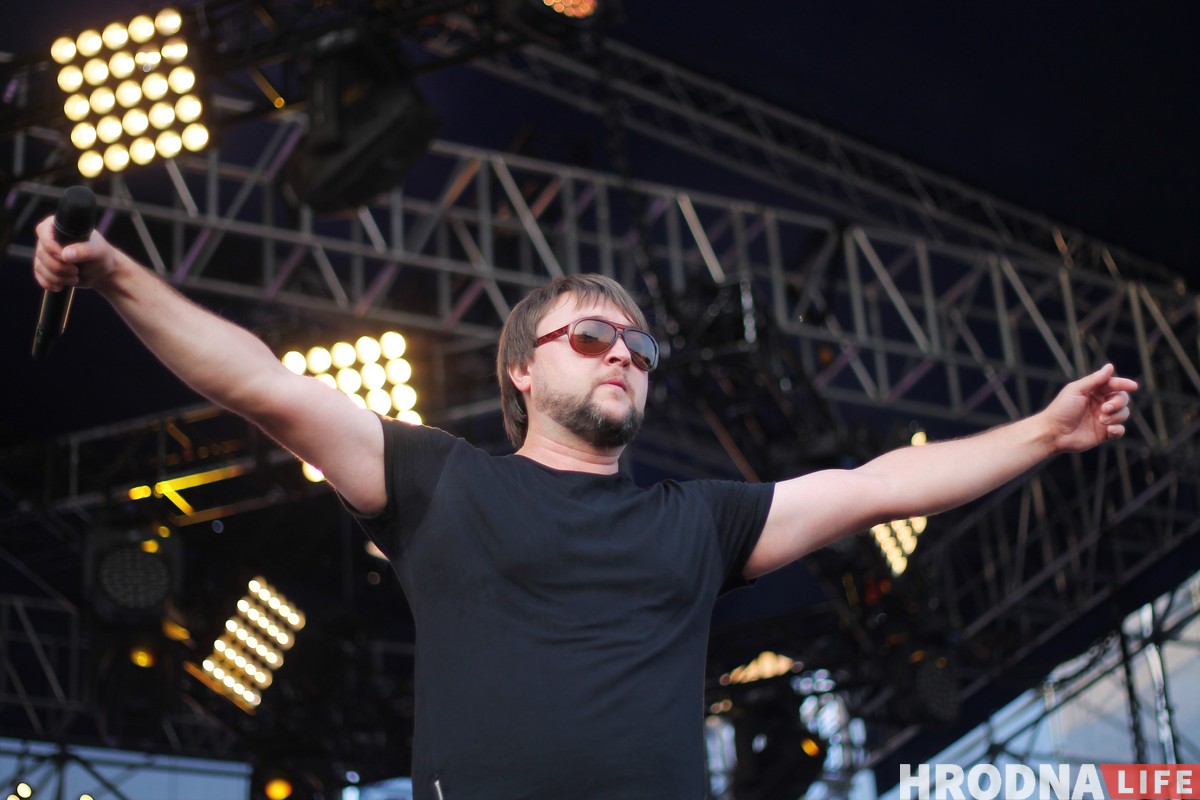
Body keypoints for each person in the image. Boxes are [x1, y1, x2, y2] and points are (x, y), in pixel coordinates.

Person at [32, 219, 1136, 800]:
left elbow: (875, 486)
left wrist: (1045, 432)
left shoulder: (697, 520)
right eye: (594, 336)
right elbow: (260, 382)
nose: (625, 356)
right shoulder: (440, 481)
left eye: (641, 348)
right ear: (521, 368)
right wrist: (119, 275)